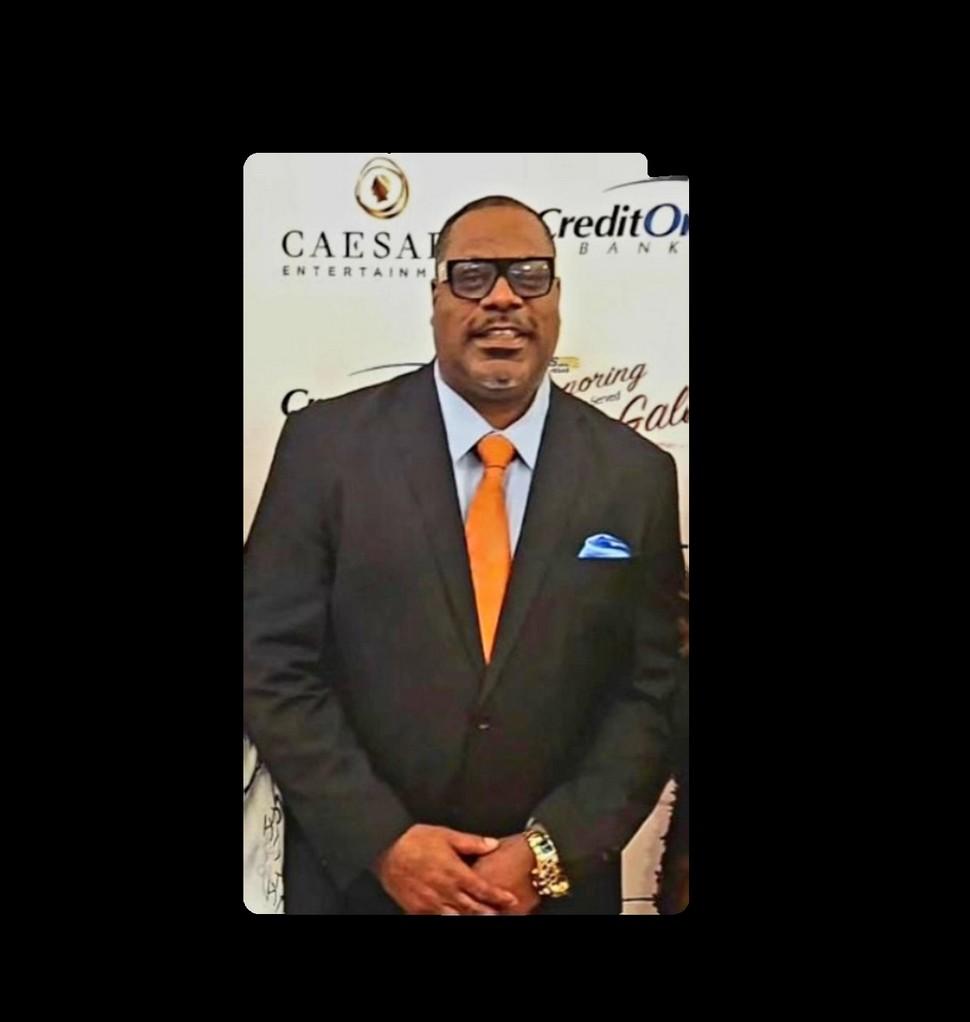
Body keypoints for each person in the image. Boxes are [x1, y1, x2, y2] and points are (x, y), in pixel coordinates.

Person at [243, 195, 685, 914]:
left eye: (529, 275)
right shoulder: (325, 450)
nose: (503, 297)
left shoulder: (636, 476)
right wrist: (384, 842)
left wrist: (550, 853)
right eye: (472, 275)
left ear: (557, 298)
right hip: (359, 889)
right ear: (435, 298)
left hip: (552, 896)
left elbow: (652, 693)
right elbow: (268, 662)